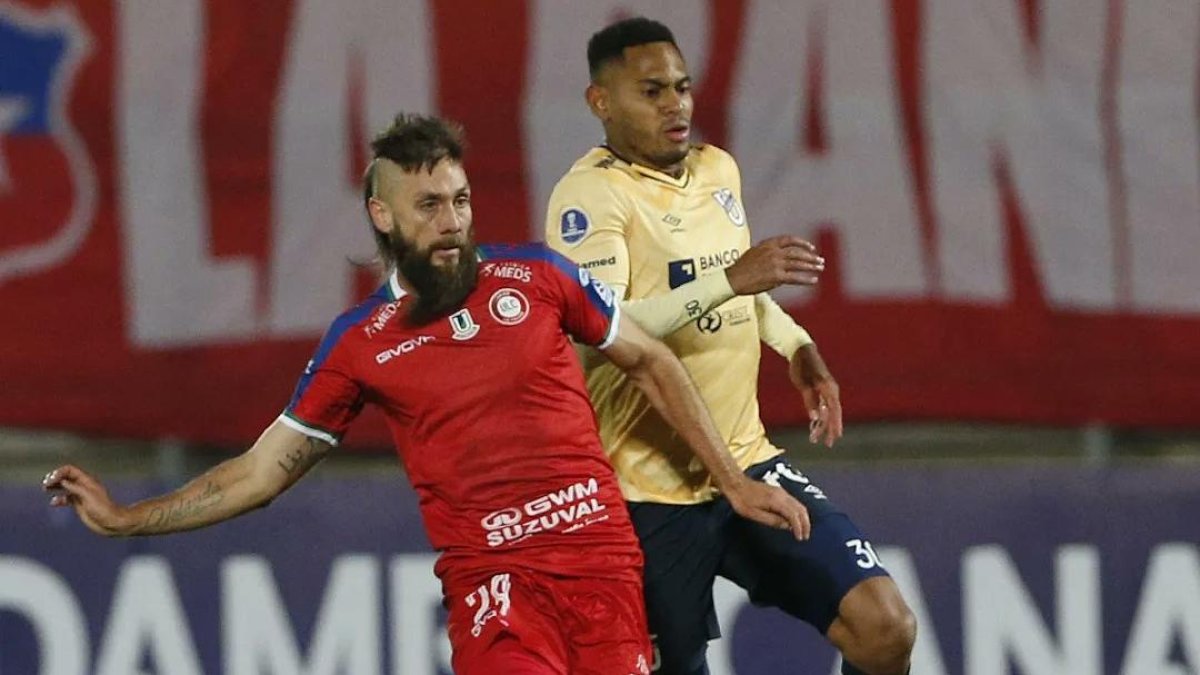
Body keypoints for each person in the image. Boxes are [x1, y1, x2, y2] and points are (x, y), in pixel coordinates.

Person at [42, 114, 811, 675]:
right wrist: (128, 518)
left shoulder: (539, 278)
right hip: (498, 585)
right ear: (383, 216)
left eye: (461, 200)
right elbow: (260, 471)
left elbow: (650, 359)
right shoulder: (361, 343)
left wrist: (732, 479)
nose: (453, 222)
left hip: (604, 568)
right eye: (430, 206)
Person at [544, 18, 917, 675]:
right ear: (600, 101)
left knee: (885, 627)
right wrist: (730, 280)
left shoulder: (717, 170)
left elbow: (736, 291)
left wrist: (796, 344)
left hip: (746, 462)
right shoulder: (589, 197)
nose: (676, 105)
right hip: (645, 491)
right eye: (652, 91)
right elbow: (602, 330)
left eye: (682, 87)